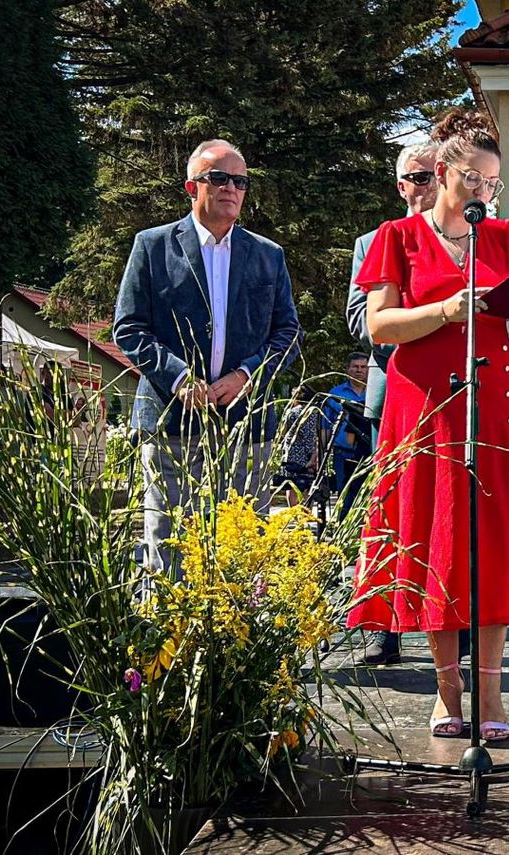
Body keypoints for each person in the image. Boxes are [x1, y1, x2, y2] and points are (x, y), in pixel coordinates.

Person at [346, 108, 509, 741]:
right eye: (475, 177)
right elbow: (380, 327)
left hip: (495, 398)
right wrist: (443, 310)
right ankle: (446, 694)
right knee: (439, 540)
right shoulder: (396, 237)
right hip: (423, 405)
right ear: (444, 172)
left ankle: (491, 694)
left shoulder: (504, 236)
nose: (485, 190)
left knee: (489, 543)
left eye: (494, 180)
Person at [114, 138, 301, 577]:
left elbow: (289, 334)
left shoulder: (268, 255)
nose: (230, 188)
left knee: (239, 551)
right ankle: (164, 644)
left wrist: (246, 374)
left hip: (245, 428)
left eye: (240, 181)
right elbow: (129, 328)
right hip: (171, 424)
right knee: (169, 547)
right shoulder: (153, 246)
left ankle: (234, 644)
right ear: (191, 186)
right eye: (218, 177)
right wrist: (179, 379)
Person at [346, 141, 439, 666]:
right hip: (395, 392)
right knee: (388, 515)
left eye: (431, 176)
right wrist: (418, 327)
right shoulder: (374, 241)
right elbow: (359, 320)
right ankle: (384, 627)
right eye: (415, 177)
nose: (423, 185)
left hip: (451, 393)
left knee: (447, 513)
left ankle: (453, 621)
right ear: (400, 184)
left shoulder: (465, 240)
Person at [321, 352, 370, 504]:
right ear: (347, 369)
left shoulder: (376, 393)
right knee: (345, 496)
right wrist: (320, 455)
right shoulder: (335, 394)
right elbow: (326, 426)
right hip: (342, 454)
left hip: (369, 453)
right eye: (355, 367)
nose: (359, 370)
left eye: (363, 367)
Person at [278, 384, 321, 504]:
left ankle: (294, 513)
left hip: (293, 452)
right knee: (308, 484)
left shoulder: (292, 412)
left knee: (292, 485)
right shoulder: (316, 412)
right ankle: (306, 512)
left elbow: (283, 431)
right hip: (311, 452)